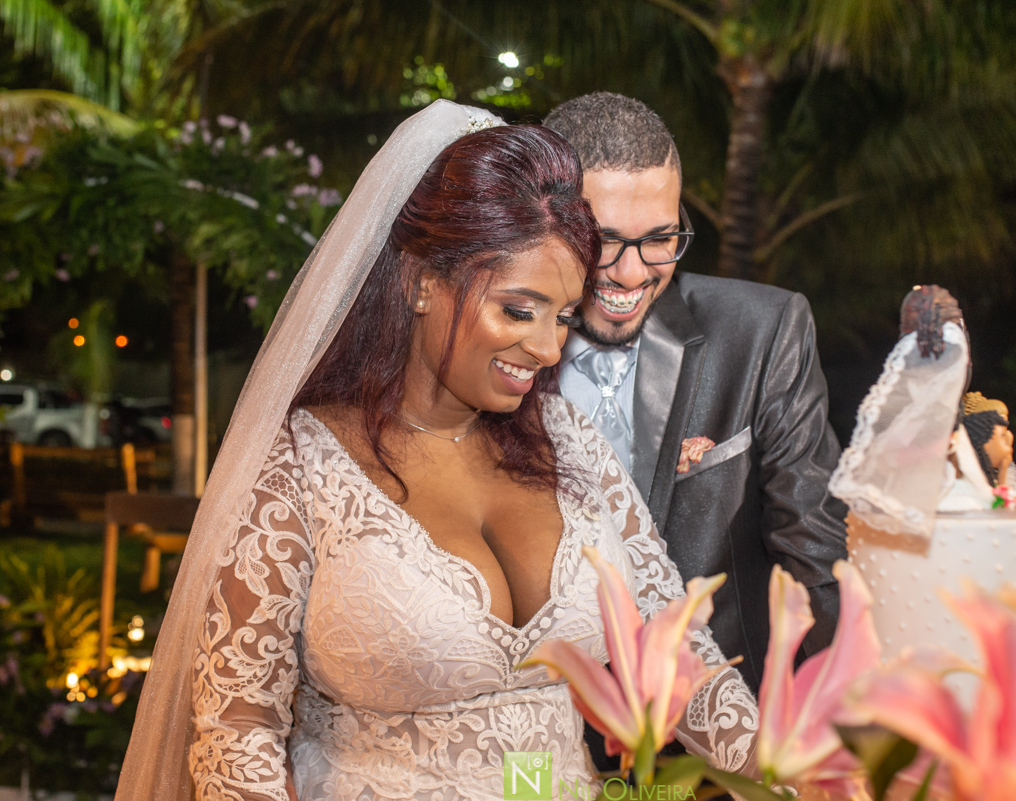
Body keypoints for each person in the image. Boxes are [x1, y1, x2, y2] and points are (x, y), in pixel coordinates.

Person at [114, 102, 757, 801]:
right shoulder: (303, 464)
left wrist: (793, 772)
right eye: (518, 310)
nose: (548, 348)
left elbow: (675, 648)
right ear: (421, 281)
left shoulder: (568, 441)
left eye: (564, 316)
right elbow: (239, 729)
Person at [544, 93, 848, 691]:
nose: (632, 274)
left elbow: (815, 548)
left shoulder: (763, 332)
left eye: (660, 238)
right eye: (603, 240)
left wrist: (849, 712)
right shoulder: (489, 350)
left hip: (718, 711)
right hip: (542, 716)